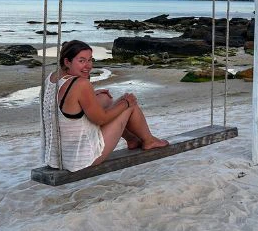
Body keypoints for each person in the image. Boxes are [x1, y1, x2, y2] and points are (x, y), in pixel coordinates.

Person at [42, 39, 169, 172]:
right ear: (67, 62)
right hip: (80, 159)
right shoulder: (80, 84)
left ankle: (132, 139)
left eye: (90, 60)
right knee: (130, 105)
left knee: (104, 98)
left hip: (58, 158)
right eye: (81, 61)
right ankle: (149, 140)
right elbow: (101, 119)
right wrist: (125, 103)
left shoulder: (52, 78)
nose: (88, 66)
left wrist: (93, 95)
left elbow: (64, 102)